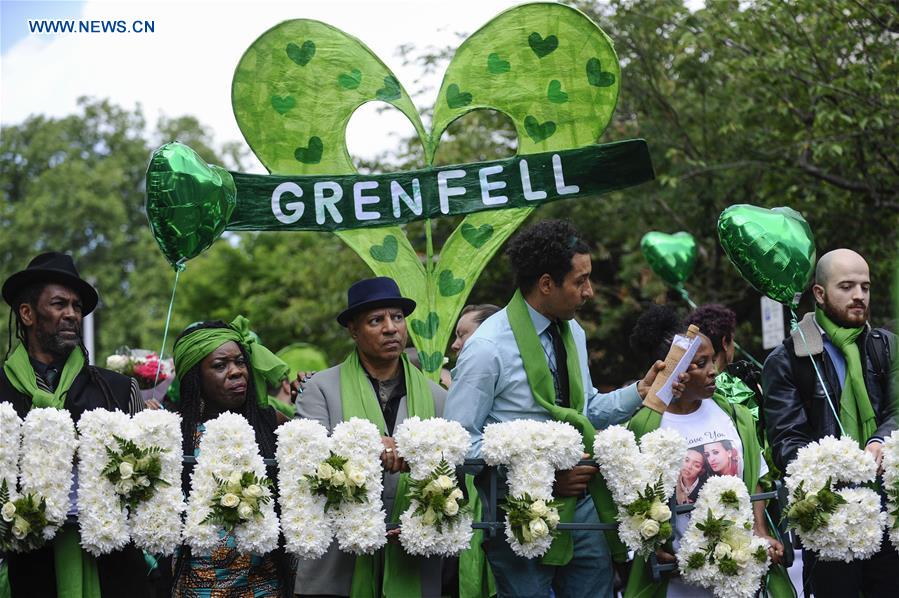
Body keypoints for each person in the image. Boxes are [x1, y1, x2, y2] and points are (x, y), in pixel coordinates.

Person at [444, 220, 682, 598]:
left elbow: (584, 411)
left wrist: (641, 390)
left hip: (583, 507)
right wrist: (540, 476)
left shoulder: (574, 333)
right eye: (580, 281)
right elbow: (455, 443)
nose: (589, 292)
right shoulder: (487, 347)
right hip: (518, 513)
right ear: (546, 284)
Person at [0, 252, 150, 597]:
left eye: (77, 306)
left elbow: (147, 485)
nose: (71, 314)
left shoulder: (118, 389)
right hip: (28, 569)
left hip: (114, 570)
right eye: (58, 304)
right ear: (27, 313)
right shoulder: (2, 390)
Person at [294, 277, 448, 597]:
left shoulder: (437, 397)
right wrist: (365, 448)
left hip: (412, 555)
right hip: (338, 563)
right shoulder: (320, 388)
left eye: (397, 317)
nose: (391, 328)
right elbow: (305, 462)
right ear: (353, 330)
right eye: (376, 320)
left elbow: (452, 469)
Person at [625, 305, 790, 598]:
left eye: (712, 359)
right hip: (678, 581)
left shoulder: (735, 416)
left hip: (739, 573)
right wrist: (652, 547)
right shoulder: (646, 425)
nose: (713, 370)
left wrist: (760, 532)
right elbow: (631, 502)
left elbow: (755, 483)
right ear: (672, 370)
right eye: (700, 364)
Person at [762, 248, 899, 597]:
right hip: (831, 523)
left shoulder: (886, 347)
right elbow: (786, 445)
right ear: (819, 295)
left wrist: (879, 442)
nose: (859, 296)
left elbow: (897, 412)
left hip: (889, 512)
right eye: (847, 286)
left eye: (865, 287)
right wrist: (843, 464)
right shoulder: (788, 359)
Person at [169, 317, 293, 597]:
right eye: (220, 366)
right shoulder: (174, 433)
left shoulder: (272, 423)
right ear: (194, 377)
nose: (236, 372)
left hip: (264, 586)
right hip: (196, 588)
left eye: (240, 362)